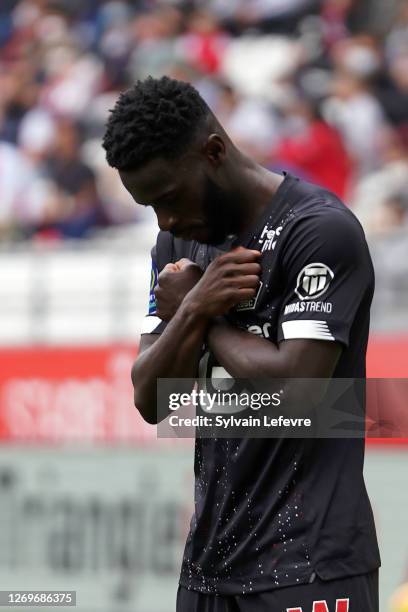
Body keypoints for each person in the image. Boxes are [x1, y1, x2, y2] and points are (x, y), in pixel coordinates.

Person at [103, 76, 380, 612]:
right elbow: (151, 398)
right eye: (150, 209)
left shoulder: (318, 231)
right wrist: (195, 305)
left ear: (213, 151)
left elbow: (296, 391)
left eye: (168, 199)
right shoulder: (179, 245)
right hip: (210, 571)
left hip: (309, 567)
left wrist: (203, 315)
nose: (166, 221)